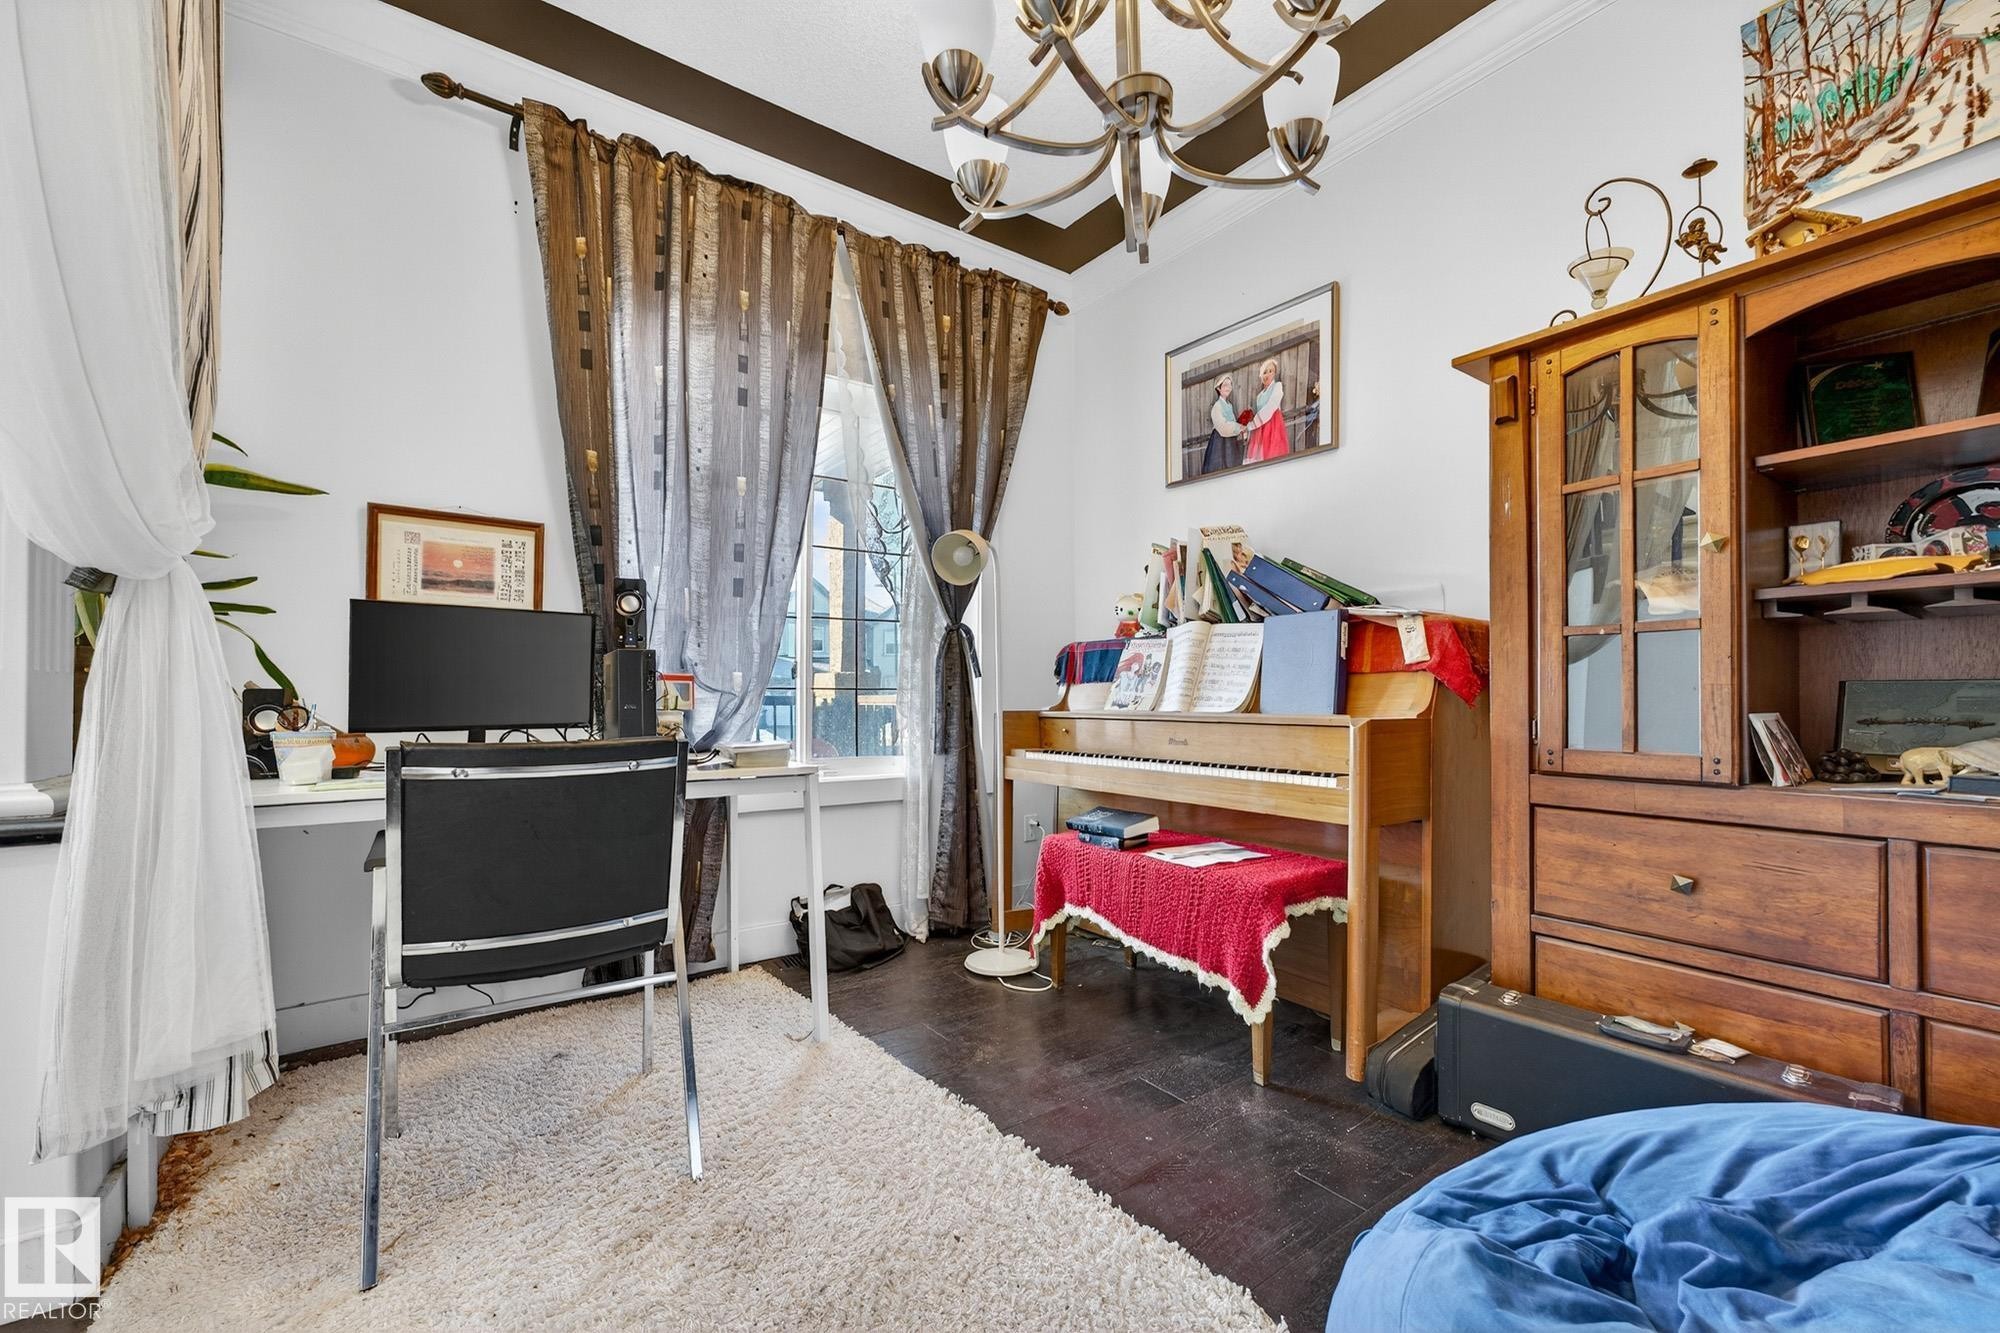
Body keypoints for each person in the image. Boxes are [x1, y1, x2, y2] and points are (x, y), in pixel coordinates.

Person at [1244, 357, 1289, 463]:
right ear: (1261, 376)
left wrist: (1252, 425)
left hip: (1273, 427)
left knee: (1273, 454)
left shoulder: (1277, 387)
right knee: (1259, 457)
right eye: (1264, 372)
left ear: (1274, 374)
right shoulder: (1259, 396)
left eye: (1270, 371)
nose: (1267, 375)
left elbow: (1271, 407)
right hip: (1260, 430)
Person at [1200, 372, 1244, 474]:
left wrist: (1240, 426)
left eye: (1230, 385)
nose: (1228, 387)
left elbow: (1232, 422)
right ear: (1219, 389)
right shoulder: (1217, 406)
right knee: (1219, 468)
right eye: (1225, 385)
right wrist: (1239, 427)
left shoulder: (1229, 405)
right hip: (1220, 442)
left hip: (1230, 442)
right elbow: (1222, 427)